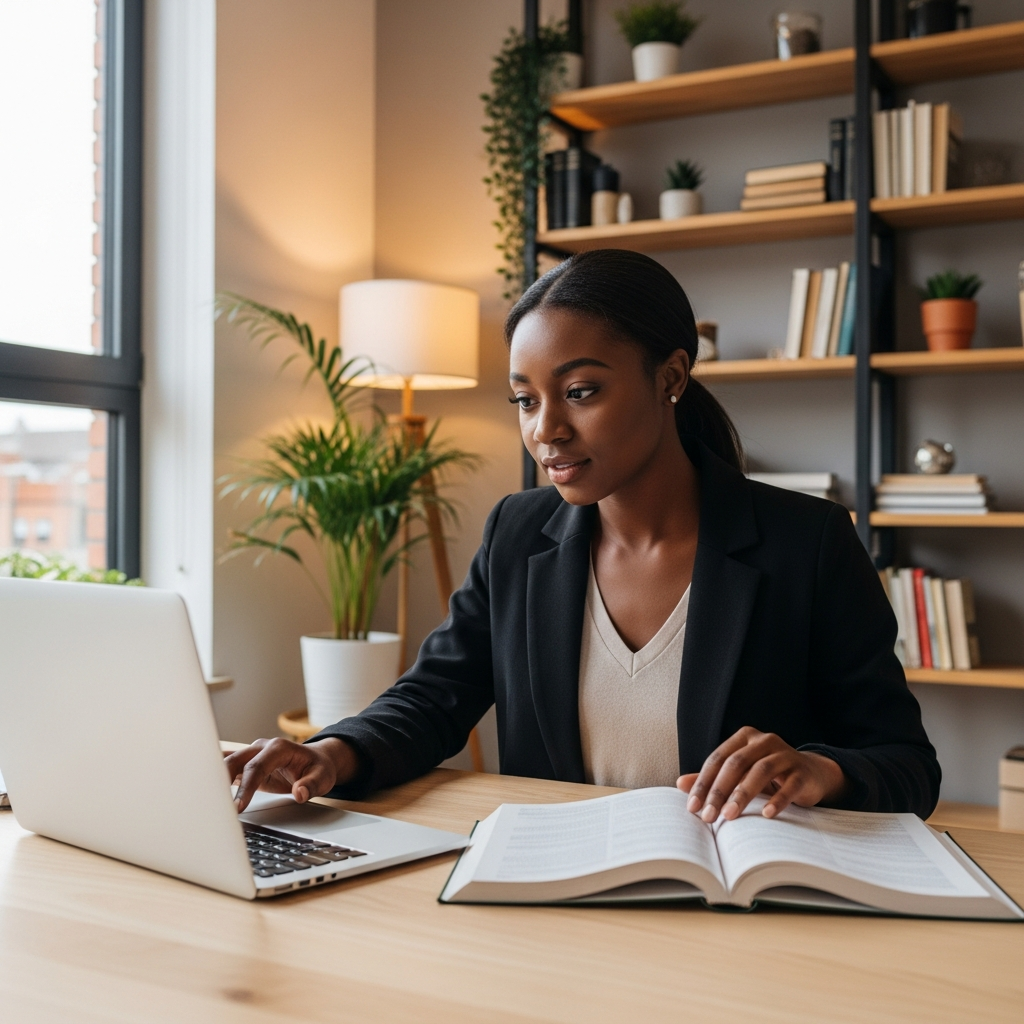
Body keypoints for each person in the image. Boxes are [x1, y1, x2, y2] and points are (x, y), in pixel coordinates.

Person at [227, 249, 940, 823]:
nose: (547, 430)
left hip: (739, 914)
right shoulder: (517, 533)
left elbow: (907, 763)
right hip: (561, 903)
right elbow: (434, 697)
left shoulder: (806, 543)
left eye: (581, 392)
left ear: (670, 377)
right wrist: (329, 753)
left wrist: (820, 768)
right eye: (525, 400)